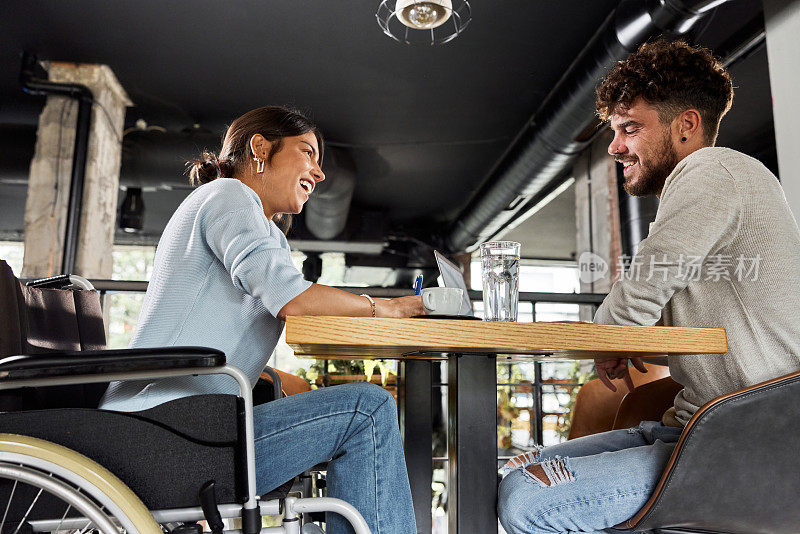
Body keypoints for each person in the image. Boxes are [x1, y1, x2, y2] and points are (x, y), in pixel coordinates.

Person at [497, 39, 800, 534]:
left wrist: (613, 335)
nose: (614, 146)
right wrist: (620, 334)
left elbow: (637, 294)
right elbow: (650, 305)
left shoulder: (712, 170)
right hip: (694, 428)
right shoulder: (719, 186)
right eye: (614, 131)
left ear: (686, 125)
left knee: (527, 502)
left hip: (745, 442)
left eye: (630, 129)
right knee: (513, 473)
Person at [100, 106, 423, 534]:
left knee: (352, 410)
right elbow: (288, 295)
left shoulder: (259, 224)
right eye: (307, 153)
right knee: (366, 410)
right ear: (260, 148)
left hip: (192, 422)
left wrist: (269, 375)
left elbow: (215, 327)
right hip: (165, 429)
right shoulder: (228, 195)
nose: (319, 173)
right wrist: (384, 307)